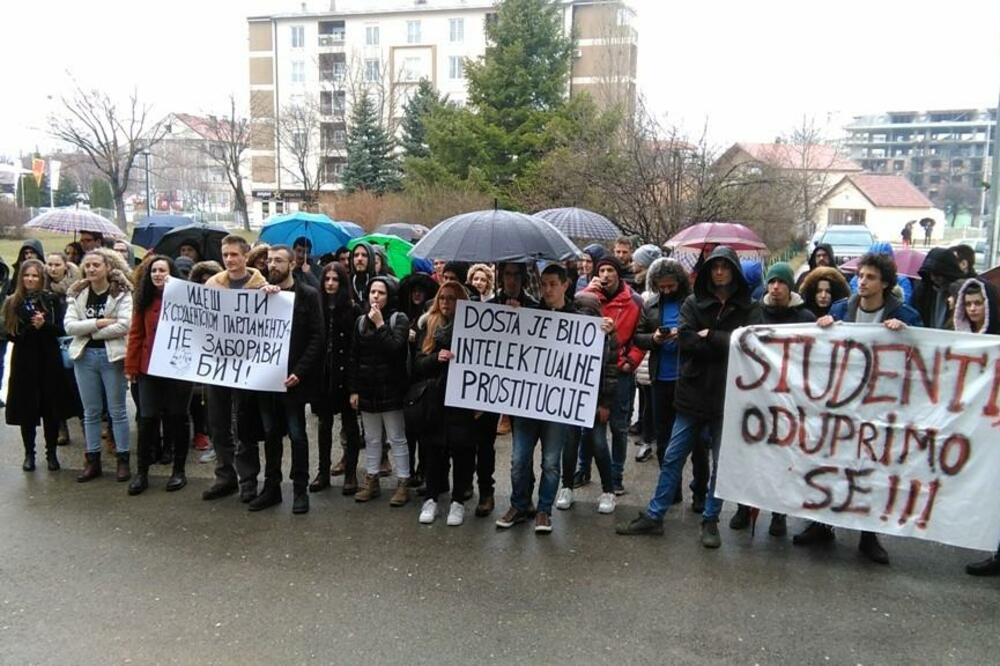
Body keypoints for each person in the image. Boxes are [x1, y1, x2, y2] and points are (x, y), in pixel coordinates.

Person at [617, 246, 757, 548]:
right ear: (708, 271)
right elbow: (689, 340)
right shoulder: (694, 302)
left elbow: (750, 346)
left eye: (725, 267)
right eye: (715, 267)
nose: (719, 272)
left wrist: (714, 336)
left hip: (727, 397)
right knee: (672, 457)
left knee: (721, 463)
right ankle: (655, 515)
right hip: (692, 392)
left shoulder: (747, 306)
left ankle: (710, 519)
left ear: (733, 270)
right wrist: (723, 341)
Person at [794, 252, 922, 564]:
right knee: (832, 461)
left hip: (880, 405)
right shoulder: (841, 309)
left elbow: (923, 356)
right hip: (842, 403)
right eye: (860, 276)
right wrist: (822, 326)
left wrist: (908, 335)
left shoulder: (906, 314)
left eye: (870, 277)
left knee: (871, 467)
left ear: (886, 283)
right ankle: (822, 524)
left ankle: (868, 535)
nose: (862, 282)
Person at [725, 263, 817, 536]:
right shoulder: (755, 312)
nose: (775, 287)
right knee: (750, 455)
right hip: (755, 397)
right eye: (772, 282)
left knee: (782, 458)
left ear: (790, 287)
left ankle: (778, 513)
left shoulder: (805, 316)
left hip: (788, 400)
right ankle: (744, 507)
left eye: (781, 282)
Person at [496, 264, 578, 533]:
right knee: (519, 460)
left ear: (565, 285)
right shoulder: (530, 314)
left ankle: (544, 510)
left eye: (553, 284)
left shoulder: (581, 318)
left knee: (551, 463)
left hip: (557, 406)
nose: (547, 289)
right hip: (527, 403)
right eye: (543, 284)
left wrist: (606, 332)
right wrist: (511, 320)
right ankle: (520, 505)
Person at [249, 246, 324, 514]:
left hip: (293, 381)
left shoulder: (308, 295)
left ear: (292, 264)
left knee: (297, 435)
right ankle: (271, 488)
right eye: (269, 261)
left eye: (279, 261)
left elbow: (317, 337)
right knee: (270, 434)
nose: (272, 265)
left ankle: (300, 489)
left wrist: (300, 372)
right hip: (266, 380)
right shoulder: (260, 294)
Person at [631, 257, 707, 509]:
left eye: (670, 286)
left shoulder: (694, 302)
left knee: (696, 441)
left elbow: (706, 335)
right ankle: (671, 488)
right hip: (660, 379)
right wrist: (653, 338)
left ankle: (699, 492)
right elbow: (638, 337)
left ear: (679, 283)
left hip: (689, 379)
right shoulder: (650, 304)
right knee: (663, 437)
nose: (666, 291)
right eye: (661, 287)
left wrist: (682, 336)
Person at [201, 235, 268, 502]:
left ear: (245, 255)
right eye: (225, 255)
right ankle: (225, 475)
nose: (229, 259)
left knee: (244, 424)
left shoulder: (261, 287)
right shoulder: (211, 285)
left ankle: (248, 479)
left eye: (234, 255)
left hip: (246, 367)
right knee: (218, 423)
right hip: (216, 364)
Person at [124, 255, 193, 495]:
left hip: (177, 370)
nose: (157, 274)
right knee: (147, 419)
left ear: (171, 272)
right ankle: (142, 472)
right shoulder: (143, 300)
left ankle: (179, 470)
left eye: (162, 270)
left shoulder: (187, 299)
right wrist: (131, 367)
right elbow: (136, 334)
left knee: (177, 418)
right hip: (148, 369)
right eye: (153, 270)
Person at [64, 248, 134, 483]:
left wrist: (89, 329)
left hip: (111, 357)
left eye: (97, 265)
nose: (92, 269)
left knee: (117, 411)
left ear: (107, 267)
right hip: (84, 358)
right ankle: (92, 459)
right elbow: (70, 327)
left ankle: (123, 459)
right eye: (88, 265)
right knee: (91, 412)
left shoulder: (121, 293)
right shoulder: (78, 293)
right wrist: (100, 322)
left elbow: (124, 325)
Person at [578, 256, 644, 495]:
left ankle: (616, 477)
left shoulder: (634, 301)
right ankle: (582, 470)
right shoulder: (589, 297)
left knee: (618, 427)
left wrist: (631, 361)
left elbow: (641, 335)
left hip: (620, 371)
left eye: (609, 270)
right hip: (591, 369)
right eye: (601, 270)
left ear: (618, 274)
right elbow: (572, 314)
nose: (605, 275)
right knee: (587, 424)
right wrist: (586, 291)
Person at [414, 281, 478, 525]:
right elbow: (417, 364)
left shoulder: (473, 327)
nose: (446, 303)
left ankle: (458, 501)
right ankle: (431, 498)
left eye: (451, 298)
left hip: (462, 398)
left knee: (462, 450)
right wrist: (434, 359)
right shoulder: (428, 325)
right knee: (433, 450)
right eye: (442, 298)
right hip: (435, 399)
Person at [2, 259, 75, 471]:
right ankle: (29, 453)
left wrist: (44, 326)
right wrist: (27, 326)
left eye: (34, 276)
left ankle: (51, 453)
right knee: (27, 409)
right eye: (27, 275)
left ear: (41, 278)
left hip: (48, 358)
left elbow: (62, 330)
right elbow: (9, 333)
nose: (30, 279)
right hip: (24, 360)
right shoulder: (12, 302)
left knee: (50, 408)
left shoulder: (50, 300)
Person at [554, 290, 620, 515]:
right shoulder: (567, 332)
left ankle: (608, 491)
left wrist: (605, 404)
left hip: (596, 399)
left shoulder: (608, 336)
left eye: (588, 313)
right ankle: (567, 487)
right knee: (570, 442)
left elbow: (610, 373)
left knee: (599, 442)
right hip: (571, 398)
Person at [348, 276, 412, 505]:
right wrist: (353, 389)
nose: (375, 296)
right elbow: (354, 356)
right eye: (373, 292)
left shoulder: (399, 319)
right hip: (367, 388)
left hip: (391, 388)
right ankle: (371, 479)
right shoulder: (360, 322)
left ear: (390, 295)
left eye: (381, 292)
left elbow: (395, 349)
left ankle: (403, 481)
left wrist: (380, 324)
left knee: (396, 437)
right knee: (372, 438)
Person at [954, 278, 1000, 576]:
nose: (973, 309)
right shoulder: (958, 339)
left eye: (978, 303)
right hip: (977, 427)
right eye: (968, 304)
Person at [310, 262, 363, 495]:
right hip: (322, 376)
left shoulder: (352, 310)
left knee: (350, 426)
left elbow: (355, 351)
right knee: (324, 425)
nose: (330, 283)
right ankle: (323, 471)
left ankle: (351, 473)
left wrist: (354, 387)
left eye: (335, 280)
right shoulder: (316, 307)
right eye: (327, 279)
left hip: (345, 375)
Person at [45, 252, 83, 445]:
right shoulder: (44, 288)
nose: (52, 268)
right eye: (49, 264)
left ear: (65, 267)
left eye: (57, 264)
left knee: (77, 388)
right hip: (51, 344)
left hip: (72, 341)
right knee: (55, 389)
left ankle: (86, 427)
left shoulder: (76, 287)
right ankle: (62, 428)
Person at [188, 261, 224, 462]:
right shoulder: (192, 306)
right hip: (201, 362)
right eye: (202, 281)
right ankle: (213, 444)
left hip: (225, 363)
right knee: (208, 407)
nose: (206, 285)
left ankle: (227, 447)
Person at [912, 247, 966, 330]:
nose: (934, 278)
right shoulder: (923, 291)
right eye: (930, 274)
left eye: (938, 274)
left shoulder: (960, 291)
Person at [350, 241, 377, 307]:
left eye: (364, 255)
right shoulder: (347, 282)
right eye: (356, 255)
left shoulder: (378, 283)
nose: (359, 259)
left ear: (371, 258)